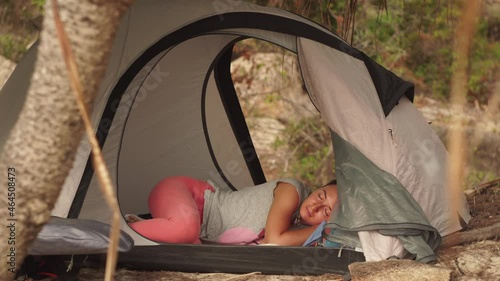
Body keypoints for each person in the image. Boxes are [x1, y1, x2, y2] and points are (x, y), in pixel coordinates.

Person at [128, 176, 338, 246]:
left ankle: (147, 226)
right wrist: (325, 226)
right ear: (317, 188)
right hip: (186, 195)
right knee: (187, 228)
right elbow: (274, 240)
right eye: (321, 196)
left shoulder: (296, 229)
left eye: (326, 212)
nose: (316, 207)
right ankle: (120, 231)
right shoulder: (292, 190)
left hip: (194, 231)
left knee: (195, 251)